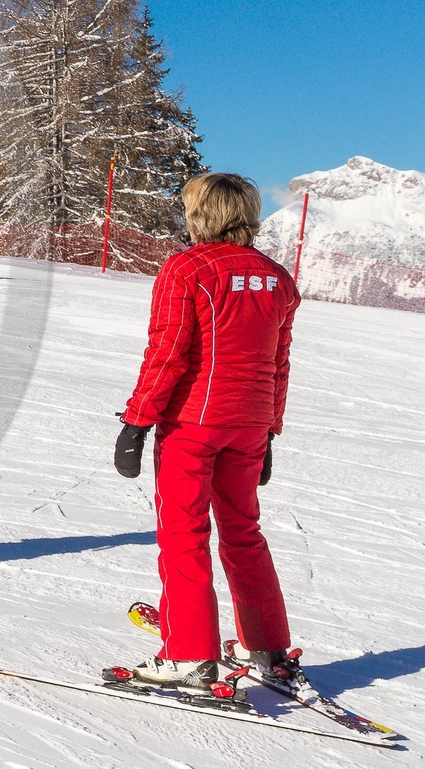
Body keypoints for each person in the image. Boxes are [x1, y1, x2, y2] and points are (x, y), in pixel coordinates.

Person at [112, 173, 302, 691]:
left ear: (201, 214)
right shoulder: (277, 278)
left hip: (193, 425)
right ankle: (265, 646)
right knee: (243, 532)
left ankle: (189, 655)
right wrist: (269, 430)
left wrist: (137, 420)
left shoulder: (187, 268)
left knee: (184, 535)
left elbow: (167, 351)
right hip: (249, 424)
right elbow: (278, 361)